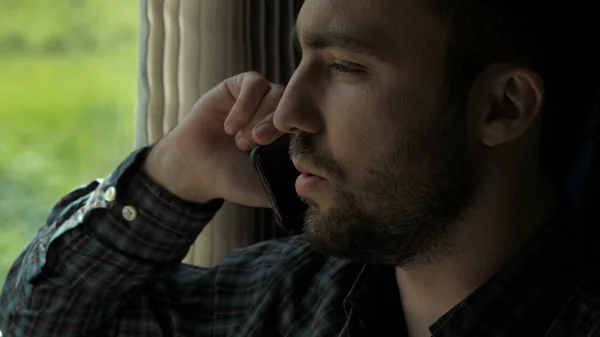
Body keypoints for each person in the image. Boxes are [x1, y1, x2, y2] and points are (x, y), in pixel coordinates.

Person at [1, 0, 600, 336]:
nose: (288, 111)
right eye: (302, 58)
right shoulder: (286, 296)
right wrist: (173, 173)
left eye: (345, 67)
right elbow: (41, 322)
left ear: (503, 106)